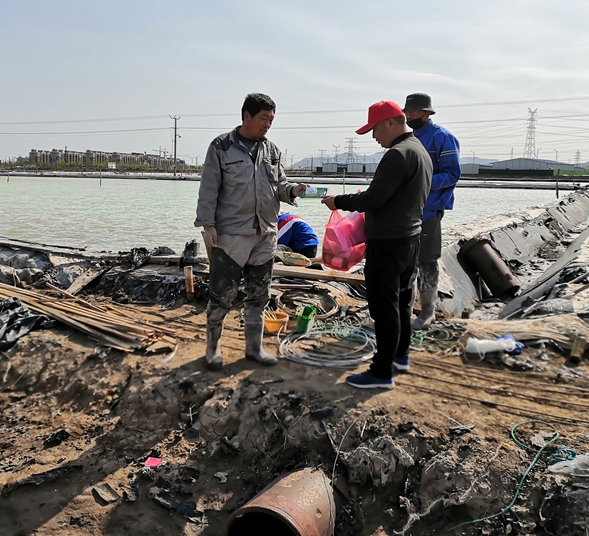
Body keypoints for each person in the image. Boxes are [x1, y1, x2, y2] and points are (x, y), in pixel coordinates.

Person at [322, 101, 431, 389]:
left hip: (388, 244)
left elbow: (374, 199)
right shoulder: (420, 151)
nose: (373, 136)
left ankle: (381, 373)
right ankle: (399, 356)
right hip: (410, 240)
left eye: (374, 129)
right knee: (402, 301)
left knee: (384, 308)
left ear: (390, 123)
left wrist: (338, 201)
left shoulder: (397, 154)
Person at [195, 93, 309, 370]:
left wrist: (292, 190)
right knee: (222, 296)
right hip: (230, 236)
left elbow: (279, 185)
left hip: (265, 235)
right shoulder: (221, 147)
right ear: (246, 115)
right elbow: (208, 189)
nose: (268, 124)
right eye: (263, 118)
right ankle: (212, 350)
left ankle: (254, 349)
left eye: (271, 120)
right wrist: (208, 226)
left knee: (259, 295)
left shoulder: (272, 151)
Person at [402, 93, 461, 331]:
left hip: (429, 209)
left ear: (426, 113)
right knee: (406, 262)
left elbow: (452, 174)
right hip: (407, 209)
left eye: (413, 111)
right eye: (407, 112)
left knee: (426, 261)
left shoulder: (442, 138)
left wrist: (421, 183)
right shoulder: (409, 138)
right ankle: (404, 310)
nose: (409, 115)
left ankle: (428, 312)